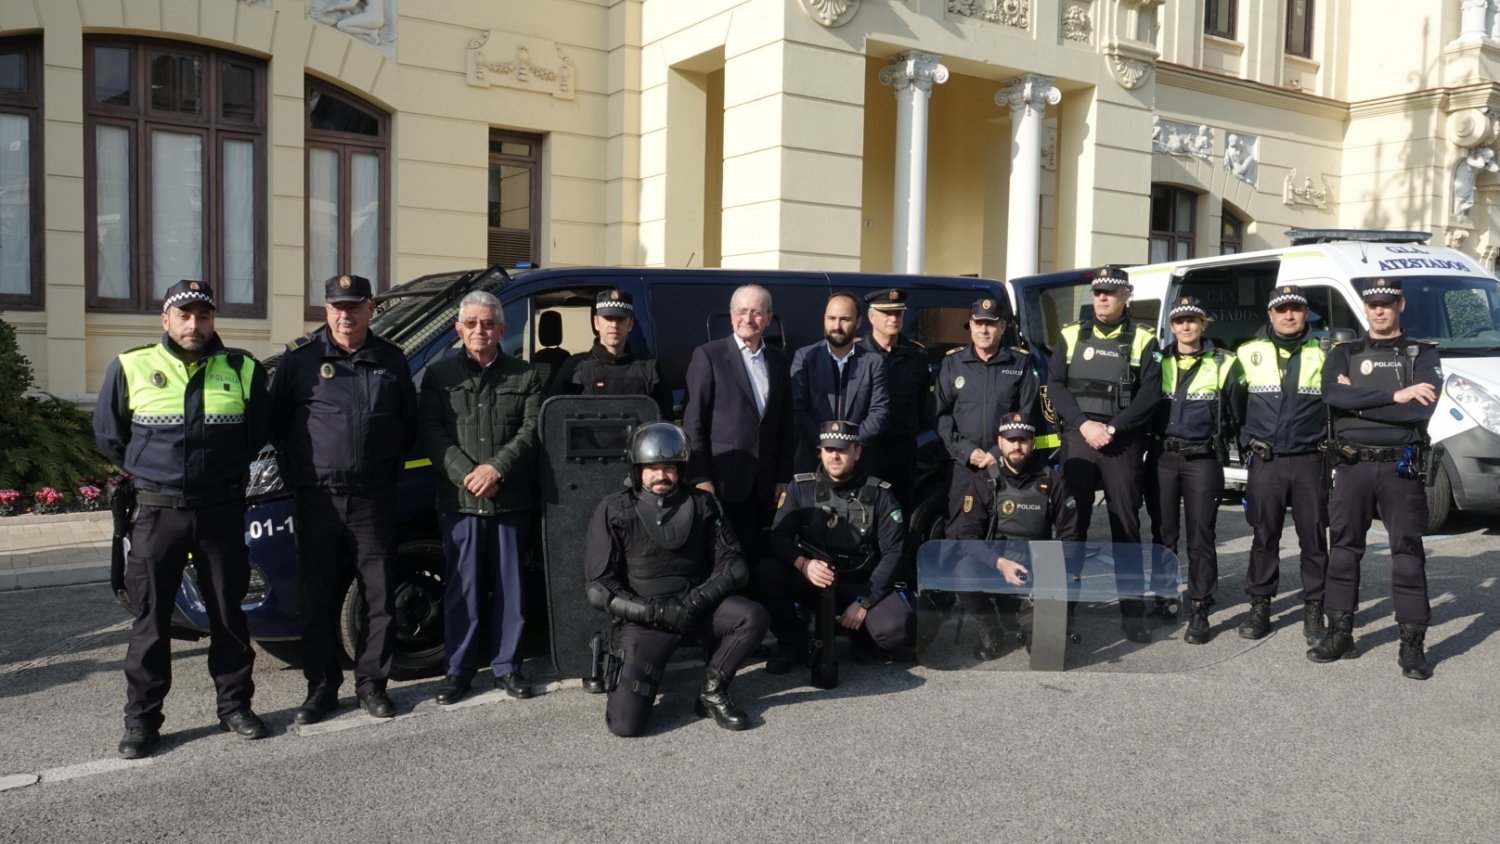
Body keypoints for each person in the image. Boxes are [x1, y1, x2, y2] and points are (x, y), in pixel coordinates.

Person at [94, 280, 271, 758]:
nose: (194, 324)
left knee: (229, 615)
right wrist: (156, 473)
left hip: (220, 512)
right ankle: (142, 722)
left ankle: (235, 707)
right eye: (184, 315)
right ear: (166, 320)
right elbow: (110, 437)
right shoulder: (131, 366)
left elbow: (258, 433)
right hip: (157, 513)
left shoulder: (242, 369)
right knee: (150, 622)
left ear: (213, 320)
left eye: (203, 315)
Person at [271, 273, 418, 723]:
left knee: (379, 598)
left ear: (371, 309)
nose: (345, 314)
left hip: (373, 499)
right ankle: (321, 689)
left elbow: (407, 424)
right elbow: (277, 425)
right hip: (318, 500)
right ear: (325, 309)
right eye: (337, 306)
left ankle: (372, 685)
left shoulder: (391, 360)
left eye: (354, 306)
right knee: (317, 596)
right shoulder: (301, 360)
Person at [583, 422, 769, 736]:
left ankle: (712, 691)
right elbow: (599, 588)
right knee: (625, 725)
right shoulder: (614, 509)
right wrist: (652, 611)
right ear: (637, 468)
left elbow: (734, 565)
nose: (661, 475)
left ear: (680, 468)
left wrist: (697, 599)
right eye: (652, 467)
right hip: (646, 619)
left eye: (668, 467)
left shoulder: (702, 503)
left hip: (696, 608)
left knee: (752, 616)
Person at [1309, 278, 1442, 679]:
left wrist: (1361, 400)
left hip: (1399, 467)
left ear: (1400, 304)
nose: (1379, 311)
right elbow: (1332, 397)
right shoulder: (1344, 352)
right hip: (1351, 466)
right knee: (1345, 551)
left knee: (1406, 554)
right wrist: (1393, 395)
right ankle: (1340, 634)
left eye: (1386, 303)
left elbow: (1418, 412)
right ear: (1364, 307)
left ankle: (1412, 645)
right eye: (1372, 304)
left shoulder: (1422, 353)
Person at [419, 291, 541, 705]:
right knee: (463, 587)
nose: (479, 330)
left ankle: (508, 667)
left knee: (512, 588)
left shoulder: (526, 375)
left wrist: (497, 469)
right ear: (458, 329)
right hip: (460, 500)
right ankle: (459, 670)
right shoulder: (439, 376)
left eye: (487, 323)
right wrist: (466, 474)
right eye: (471, 323)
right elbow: (432, 432)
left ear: (502, 330)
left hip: (510, 499)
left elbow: (531, 430)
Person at [1047, 266, 1161, 643]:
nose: (1102, 298)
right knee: (1071, 529)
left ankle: (1132, 614)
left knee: (1125, 528)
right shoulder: (1069, 333)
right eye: (1097, 292)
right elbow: (1056, 386)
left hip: (1122, 442)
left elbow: (1149, 394)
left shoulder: (1144, 339)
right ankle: (1065, 614)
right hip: (1079, 438)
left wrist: (1112, 428)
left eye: (1110, 292)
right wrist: (1083, 424)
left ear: (1126, 295)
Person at [761, 420, 912, 672]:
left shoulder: (881, 494)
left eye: (842, 449)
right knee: (768, 573)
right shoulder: (800, 488)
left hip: (860, 584)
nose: (835, 455)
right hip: (815, 582)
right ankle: (793, 645)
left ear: (857, 452)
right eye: (829, 449)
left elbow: (894, 553)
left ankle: (861, 635)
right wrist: (803, 563)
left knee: (895, 629)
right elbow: (779, 538)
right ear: (820, 451)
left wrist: (866, 601)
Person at [1226, 284, 1329, 645]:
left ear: (1305, 314)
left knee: (1313, 539)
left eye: (1296, 309)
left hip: (1309, 460)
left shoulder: (1324, 353)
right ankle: (1260, 606)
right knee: (1263, 536)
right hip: (1266, 461)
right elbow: (1232, 402)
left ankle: (1314, 609)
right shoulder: (1248, 353)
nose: (1289, 315)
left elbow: (1338, 407)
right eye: (1281, 309)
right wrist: (1245, 442)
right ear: (1269, 314)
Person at [1143, 297, 1237, 644]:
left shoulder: (1224, 362)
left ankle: (1200, 605)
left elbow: (1237, 413)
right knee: (1163, 534)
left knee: (1202, 536)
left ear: (1203, 324)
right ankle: (1164, 598)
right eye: (1180, 320)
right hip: (1163, 458)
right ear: (1171, 325)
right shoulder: (1157, 361)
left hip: (1202, 459)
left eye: (1193, 320)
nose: (1186, 326)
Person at [681, 284, 794, 563]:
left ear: (768, 318)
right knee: (720, 561)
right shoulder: (709, 356)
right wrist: (700, 477)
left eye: (757, 312)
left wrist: (782, 477)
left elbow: (785, 425)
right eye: (742, 311)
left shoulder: (779, 361)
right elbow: (693, 422)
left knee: (755, 558)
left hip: (763, 484)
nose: (748, 318)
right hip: (721, 483)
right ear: (731, 316)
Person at [948, 413, 1075, 660]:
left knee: (1045, 656)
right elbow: (967, 537)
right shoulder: (983, 480)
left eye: (1023, 440)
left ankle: (1026, 615)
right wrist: (999, 563)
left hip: (1038, 565)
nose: (1017, 446)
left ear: (1033, 443)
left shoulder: (1054, 480)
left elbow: (1071, 536)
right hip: (997, 562)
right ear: (1000, 442)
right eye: (1011, 439)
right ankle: (991, 628)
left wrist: (1055, 578)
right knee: (963, 572)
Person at [935, 296, 1039, 529]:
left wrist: (997, 451)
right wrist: (966, 451)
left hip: (1006, 462)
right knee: (960, 527)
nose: (984, 330)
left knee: (1006, 525)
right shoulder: (953, 363)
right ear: (970, 325)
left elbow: (1028, 413)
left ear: (1002, 326)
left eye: (990, 324)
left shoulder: (1019, 362)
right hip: (964, 464)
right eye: (978, 323)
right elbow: (941, 415)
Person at [790, 291, 889, 473]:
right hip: (813, 461)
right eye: (831, 318)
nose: (837, 325)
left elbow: (879, 412)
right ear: (824, 319)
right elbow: (798, 409)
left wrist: (849, 447)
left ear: (858, 322)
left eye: (845, 319)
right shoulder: (804, 358)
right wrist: (824, 446)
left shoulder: (873, 362)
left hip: (859, 464)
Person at [548, 288, 672, 420]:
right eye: (608, 318)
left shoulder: (650, 369)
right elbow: (555, 420)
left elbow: (663, 423)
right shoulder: (574, 368)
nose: (614, 324)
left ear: (630, 324)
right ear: (596, 322)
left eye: (620, 319)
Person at [859, 287, 931, 511]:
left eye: (898, 313)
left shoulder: (916, 356)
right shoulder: (857, 354)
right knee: (864, 514)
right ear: (871, 317)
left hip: (902, 450)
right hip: (866, 450)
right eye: (886, 313)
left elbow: (922, 406)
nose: (893, 318)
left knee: (900, 514)